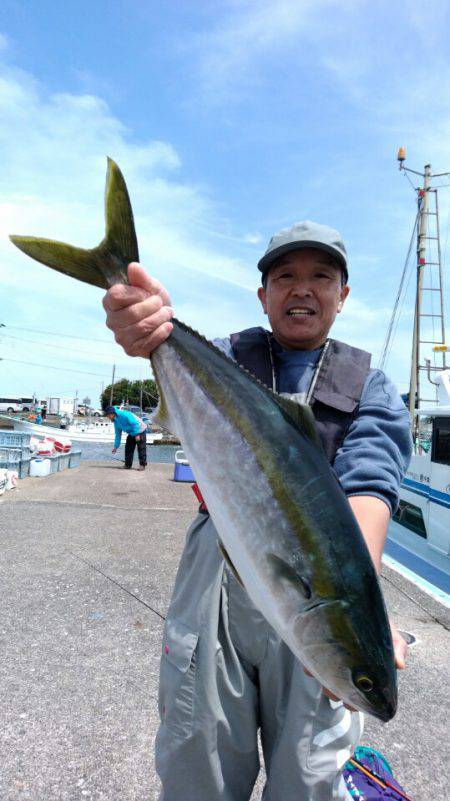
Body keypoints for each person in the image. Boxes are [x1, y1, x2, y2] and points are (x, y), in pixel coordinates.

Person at [102, 221, 412, 801]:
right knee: (200, 764)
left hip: (316, 591)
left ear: (343, 295)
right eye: (285, 276)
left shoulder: (372, 389)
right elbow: (158, 352)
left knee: (311, 778)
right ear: (262, 294)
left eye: (321, 276)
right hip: (219, 575)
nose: (303, 289)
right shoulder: (223, 358)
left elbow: (368, 487)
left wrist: (357, 608)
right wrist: (142, 327)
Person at [105, 405, 147, 470]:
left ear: (113, 413)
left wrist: (137, 434)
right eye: (107, 416)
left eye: (108, 415)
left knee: (141, 448)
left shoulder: (124, 414)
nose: (108, 417)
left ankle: (142, 465)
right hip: (131, 432)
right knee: (128, 448)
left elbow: (134, 423)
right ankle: (127, 465)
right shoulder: (116, 422)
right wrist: (115, 447)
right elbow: (118, 435)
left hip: (140, 429)